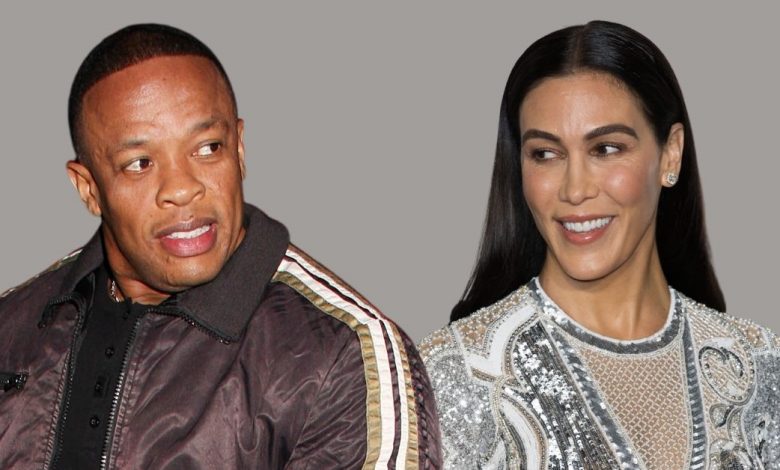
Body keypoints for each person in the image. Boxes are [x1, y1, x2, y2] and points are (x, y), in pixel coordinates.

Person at [0, 23, 440, 469]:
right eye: (140, 163)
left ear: (239, 149)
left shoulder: (343, 353)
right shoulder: (12, 325)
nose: (182, 188)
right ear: (88, 188)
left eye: (208, 148)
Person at [419, 20, 779, 469]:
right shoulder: (457, 375)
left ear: (671, 153)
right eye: (545, 154)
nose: (575, 190)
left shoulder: (763, 367)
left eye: (606, 149)